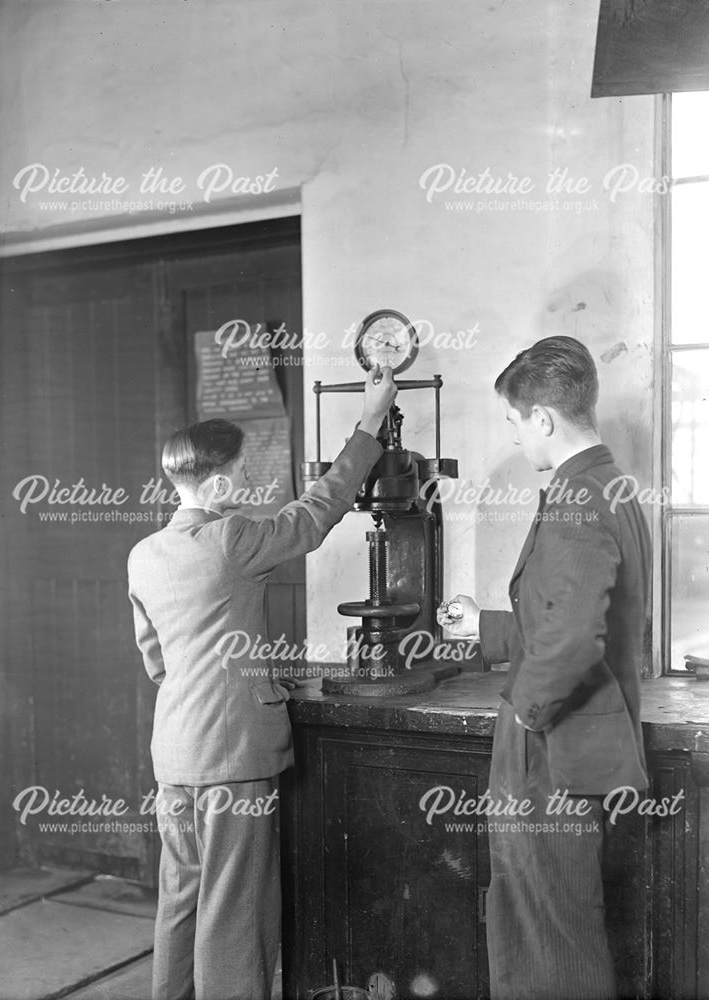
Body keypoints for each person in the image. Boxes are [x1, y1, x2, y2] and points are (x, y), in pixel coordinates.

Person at [128, 365, 396, 1000]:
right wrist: (369, 423)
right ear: (218, 482)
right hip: (234, 757)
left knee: (182, 901)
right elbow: (315, 514)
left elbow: (156, 660)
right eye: (246, 475)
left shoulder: (144, 554)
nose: (252, 485)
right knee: (235, 910)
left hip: (175, 755)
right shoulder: (231, 539)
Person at [437, 336, 650, 1000]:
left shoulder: (573, 496)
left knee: (546, 941)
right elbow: (578, 618)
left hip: (550, 748)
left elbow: (572, 639)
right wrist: (489, 628)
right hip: (578, 741)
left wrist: (526, 714)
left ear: (543, 419)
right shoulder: (608, 482)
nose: (514, 435)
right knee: (551, 925)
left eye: (512, 420)